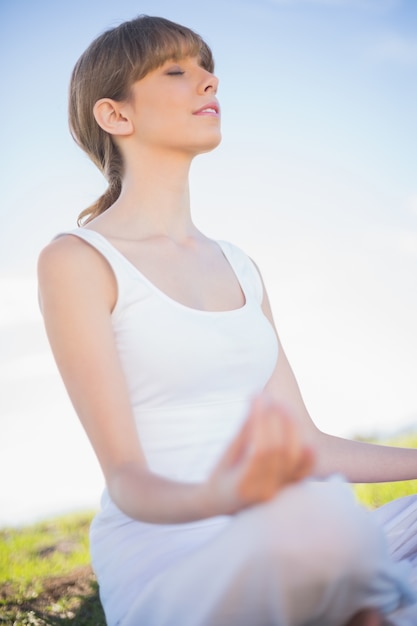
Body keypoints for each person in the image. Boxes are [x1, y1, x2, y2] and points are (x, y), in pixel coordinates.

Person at [37, 15, 417, 626]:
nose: (209, 82)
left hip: (292, 523)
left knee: (322, 521)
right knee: (320, 525)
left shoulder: (240, 265)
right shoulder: (78, 261)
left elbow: (309, 446)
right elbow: (129, 481)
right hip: (174, 548)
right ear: (116, 115)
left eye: (208, 68)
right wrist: (229, 496)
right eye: (177, 71)